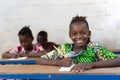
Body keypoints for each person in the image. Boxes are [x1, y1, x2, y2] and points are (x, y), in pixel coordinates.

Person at [36, 15, 120, 72]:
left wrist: (91, 64)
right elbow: (39, 60)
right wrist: (58, 62)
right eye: (74, 34)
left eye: (83, 33)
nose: (79, 37)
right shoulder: (64, 48)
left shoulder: (94, 48)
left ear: (89, 33)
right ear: (70, 35)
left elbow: (118, 60)